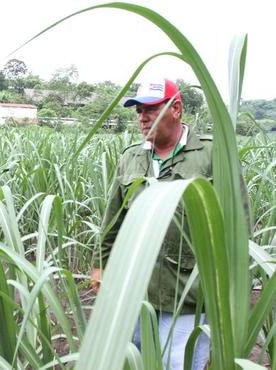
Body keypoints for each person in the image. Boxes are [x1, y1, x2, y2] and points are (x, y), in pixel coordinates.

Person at [91, 79, 212, 370]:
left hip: (187, 290)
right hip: (134, 285)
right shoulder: (131, 157)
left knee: (178, 364)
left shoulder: (210, 155)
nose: (142, 118)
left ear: (177, 109)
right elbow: (113, 218)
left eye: (151, 109)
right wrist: (100, 264)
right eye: (138, 111)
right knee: (132, 357)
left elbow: (236, 222)